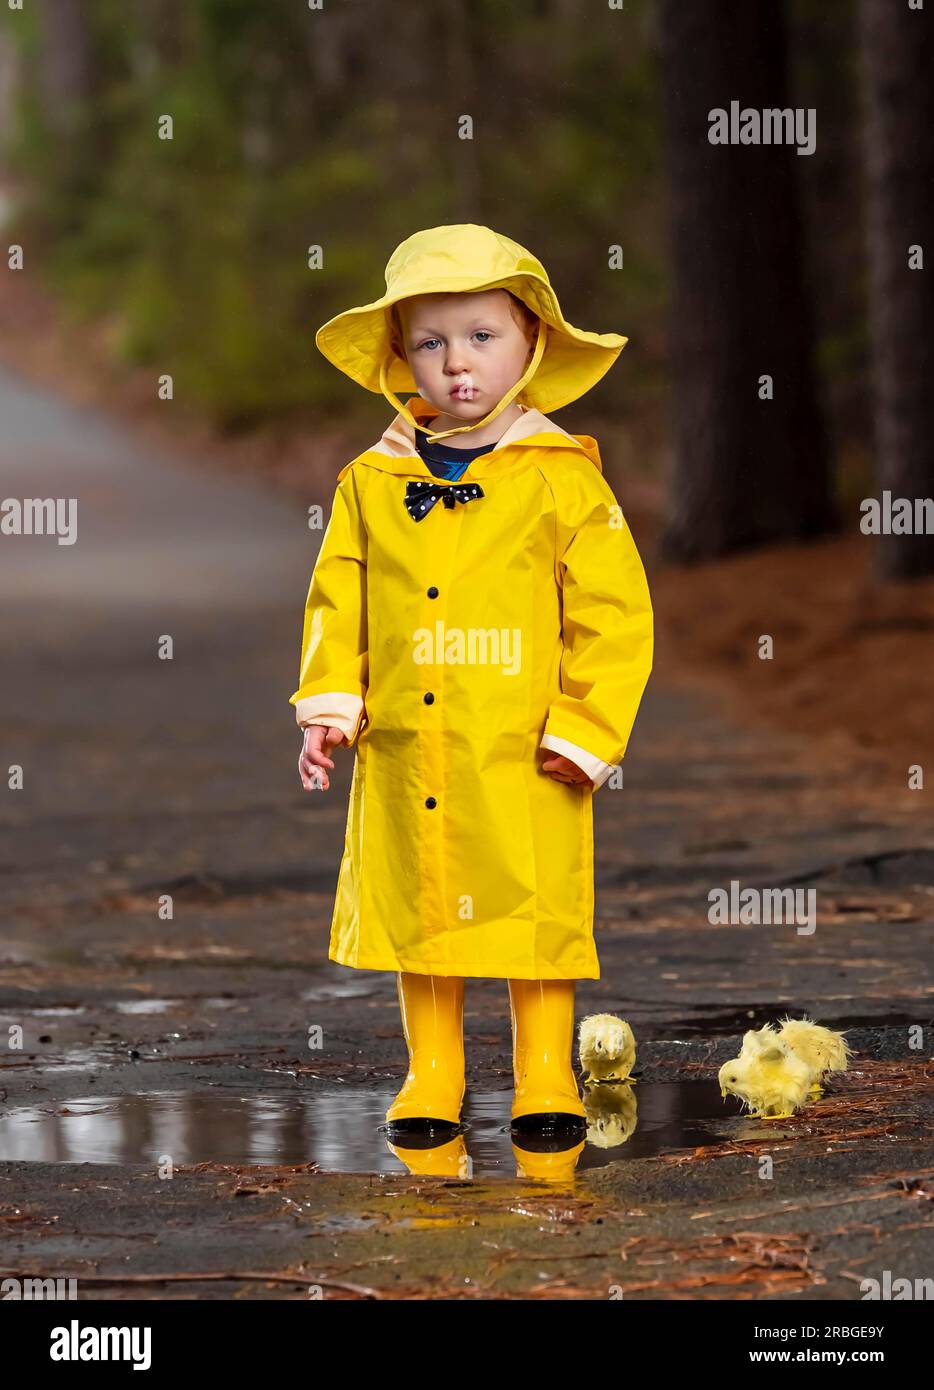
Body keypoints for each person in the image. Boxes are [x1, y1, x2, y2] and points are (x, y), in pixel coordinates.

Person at [289, 223, 654, 1141]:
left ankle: (543, 1076)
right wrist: (331, 706)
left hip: (524, 739)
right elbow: (341, 598)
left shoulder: (564, 479)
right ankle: (432, 1074)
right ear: (399, 356)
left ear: (530, 341)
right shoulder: (371, 482)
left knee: (534, 907)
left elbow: (613, 617)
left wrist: (588, 729)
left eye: (482, 337)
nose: (457, 365)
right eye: (431, 341)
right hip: (413, 743)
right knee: (425, 902)